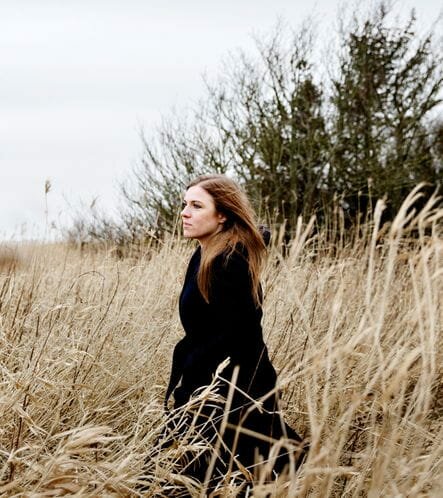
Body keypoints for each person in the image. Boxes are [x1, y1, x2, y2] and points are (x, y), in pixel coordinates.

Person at [161, 174, 306, 492]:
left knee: (199, 482)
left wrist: (206, 400)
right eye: (185, 204)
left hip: (230, 395)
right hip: (207, 391)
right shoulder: (204, 254)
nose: (184, 212)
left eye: (196, 206)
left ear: (222, 215)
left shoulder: (229, 263)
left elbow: (242, 339)